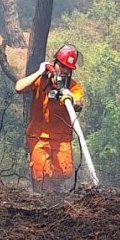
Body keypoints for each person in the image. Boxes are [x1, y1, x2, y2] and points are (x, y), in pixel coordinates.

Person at [14, 44, 85, 192]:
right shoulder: (41, 81)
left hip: (61, 138)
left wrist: (70, 98)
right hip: (38, 137)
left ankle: (56, 196)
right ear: (54, 63)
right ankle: (45, 200)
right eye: (62, 66)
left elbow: (79, 104)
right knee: (42, 175)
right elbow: (19, 87)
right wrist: (39, 72)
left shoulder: (73, 87)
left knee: (64, 172)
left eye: (68, 69)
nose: (64, 71)